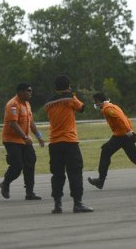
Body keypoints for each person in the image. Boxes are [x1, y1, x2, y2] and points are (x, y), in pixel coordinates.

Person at [87, 92, 136, 189]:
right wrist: (130, 131)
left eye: (94, 101)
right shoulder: (112, 106)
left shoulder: (107, 108)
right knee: (134, 157)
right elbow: (125, 117)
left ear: (98, 101)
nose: (94, 103)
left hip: (121, 135)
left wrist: (128, 130)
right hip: (125, 135)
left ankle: (101, 180)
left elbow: (121, 118)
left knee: (105, 151)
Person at [45, 75, 93, 213]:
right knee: (75, 172)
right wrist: (72, 94)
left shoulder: (48, 103)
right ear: (68, 86)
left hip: (54, 142)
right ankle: (77, 203)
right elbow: (82, 108)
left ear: (55, 87)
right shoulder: (70, 98)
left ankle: (57, 204)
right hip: (69, 141)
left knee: (57, 174)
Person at [0, 83, 44, 200]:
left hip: (24, 139)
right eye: (28, 90)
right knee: (17, 166)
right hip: (11, 140)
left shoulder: (27, 105)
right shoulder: (13, 104)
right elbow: (13, 123)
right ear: (20, 92)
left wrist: (38, 136)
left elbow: (31, 122)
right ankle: (5, 182)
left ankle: (30, 192)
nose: (31, 93)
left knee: (31, 161)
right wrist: (25, 137)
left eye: (31, 90)